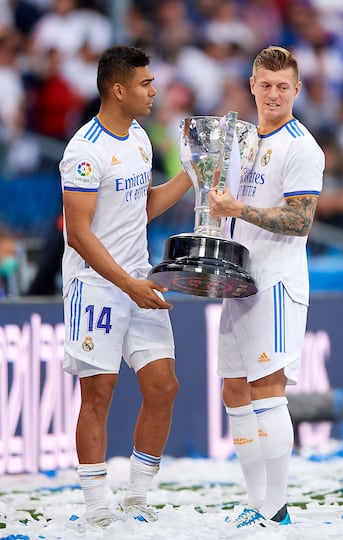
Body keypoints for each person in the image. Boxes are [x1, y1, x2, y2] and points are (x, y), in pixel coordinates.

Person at [59, 45, 192, 529]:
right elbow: (78, 233)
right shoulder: (84, 151)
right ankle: (97, 508)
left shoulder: (139, 136)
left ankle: (136, 499)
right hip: (95, 285)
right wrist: (127, 285)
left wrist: (194, 174)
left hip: (139, 278)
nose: (154, 91)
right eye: (146, 83)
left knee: (164, 387)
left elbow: (143, 206)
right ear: (119, 89)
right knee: (98, 395)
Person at [208, 46, 324, 528]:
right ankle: (255, 501)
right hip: (240, 280)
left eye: (283, 86)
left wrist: (238, 210)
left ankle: (275, 507)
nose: (274, 94)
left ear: (296, 91)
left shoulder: (303, 147)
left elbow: (300, 221)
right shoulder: (242, 140)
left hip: (276, 283)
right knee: (234, 389)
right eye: (266, 84)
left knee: (266, 388)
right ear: (252, 85)